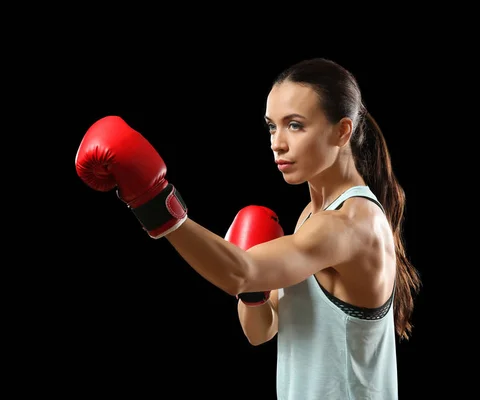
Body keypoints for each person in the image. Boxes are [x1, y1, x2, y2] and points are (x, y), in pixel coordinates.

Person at [75, 57, 421, 399]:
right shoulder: (310, 217)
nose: (277, 142)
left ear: (341, 131)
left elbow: (242, 273)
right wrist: (254, 294)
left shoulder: (352, 224)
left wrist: (154, 201)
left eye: (295, 125)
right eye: (272, 126)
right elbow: (262, 330)